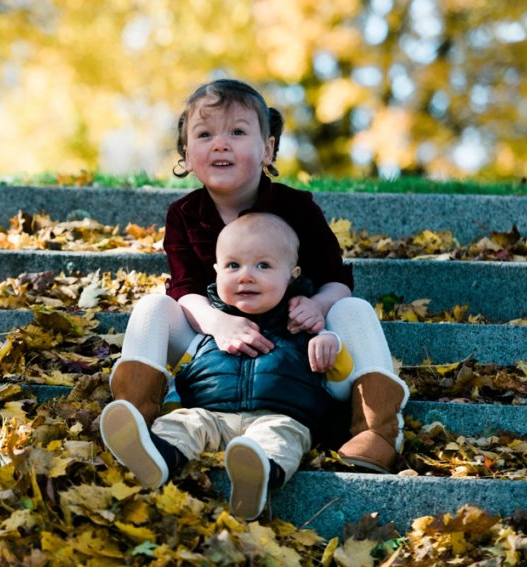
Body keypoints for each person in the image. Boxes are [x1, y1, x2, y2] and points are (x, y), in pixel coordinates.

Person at [103, 78, 409, 474]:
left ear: (267, 149)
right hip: (212, 348)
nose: (220, 143)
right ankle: (141, 426)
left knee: (353, 308)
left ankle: (377, 432)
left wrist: (316, 306)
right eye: (205, 134)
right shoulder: (184, 214)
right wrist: (219, 323)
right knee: (153, 306)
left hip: (301, 351)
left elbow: (336, 277)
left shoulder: (297, 209)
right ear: (187, 153)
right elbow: (185, 289)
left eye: (237, 132)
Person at [102, 213, 352, 519]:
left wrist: (330, 343)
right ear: (217, 272)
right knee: (184, 424)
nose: (245, 276)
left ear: (292, 274)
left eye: (263, 265)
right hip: (212, 415)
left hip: (280, 415)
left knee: (279, 439)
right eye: (233, 266)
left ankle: (259, 476)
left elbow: (340, 375)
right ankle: (155, 456)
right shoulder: (210, 327)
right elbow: (183, 372)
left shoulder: (305, 322)